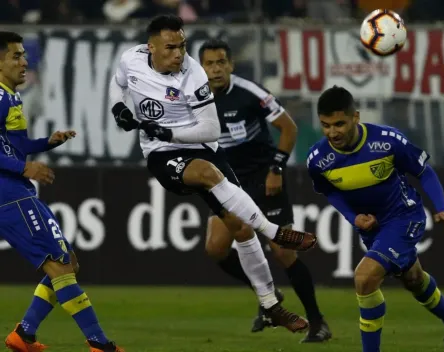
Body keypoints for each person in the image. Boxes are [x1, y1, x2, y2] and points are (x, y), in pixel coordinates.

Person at [108, 15, 316, 333]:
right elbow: (118, 82)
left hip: (200, 145)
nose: (179, 54)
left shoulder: (193, 75)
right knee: (208, 175)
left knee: (240, 227)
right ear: (151, 48)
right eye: (171, 47)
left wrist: (167, 132)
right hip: (162, 155)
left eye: (182, 46)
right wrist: (119, 109)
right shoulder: (131, 59)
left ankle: (271, 305)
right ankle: (273, 231)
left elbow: (210, 128)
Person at [306, 85, 444, 352]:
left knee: (365, 278)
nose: (332, 132)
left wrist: (441, 207)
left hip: (404, 215)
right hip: (372, 227)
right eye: (325, 125)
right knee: (414, 279)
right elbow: (329, 191)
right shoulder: (319, 159)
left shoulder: (388, 141)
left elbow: (424, 172)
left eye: (339, 124)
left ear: (355, 117)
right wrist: (353, 217)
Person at [198, 38, 331, 342]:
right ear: (202, 67)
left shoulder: (250, 93)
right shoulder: (196, 97)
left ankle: (318, 322)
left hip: (263, 177)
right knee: (216, 248)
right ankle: (268, 295)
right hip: (228, 183)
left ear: (230, 65)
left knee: (283, 250)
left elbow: (289, 128)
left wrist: (277, 169)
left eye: (221, 62)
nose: (216, 69)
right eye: (210, 63)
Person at [0, 31, 124, 352]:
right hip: (8, 194)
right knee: (59, 266)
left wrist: (47, 143)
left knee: (68, 262)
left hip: (17, 189)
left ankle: (24, 335)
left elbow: (16, 147)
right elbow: (14, 160)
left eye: (24, 55)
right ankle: (100, 344)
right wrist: (23, 168)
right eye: (15, 56)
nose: (24, 62)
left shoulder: (10, 97)